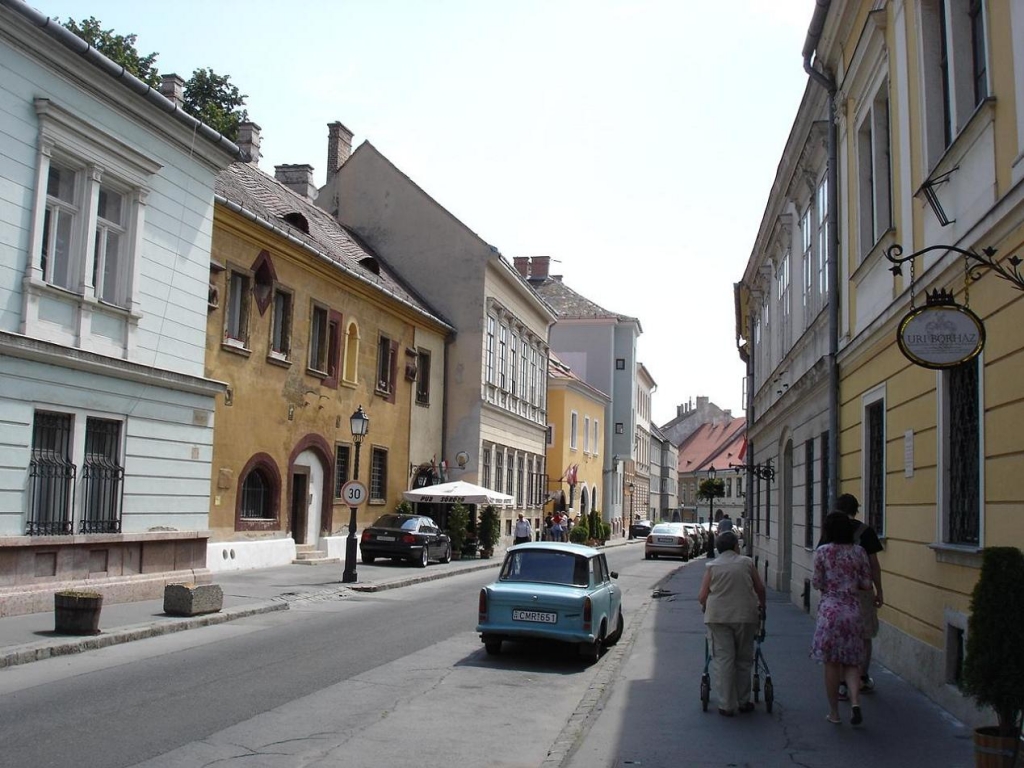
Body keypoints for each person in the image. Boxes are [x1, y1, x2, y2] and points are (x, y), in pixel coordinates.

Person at [811, 512, 872, 726]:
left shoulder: (823, 552)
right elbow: (866, 583)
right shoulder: (859, 552)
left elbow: (817, 582)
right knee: (852, 662)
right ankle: (855, 702)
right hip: (853, 611)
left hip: (830, 612)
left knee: (831, 663)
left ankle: (834, 712)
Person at [697, 531, 767, 717]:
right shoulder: (746, 563)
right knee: (744, 659)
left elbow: (702, 595)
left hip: (718, 617)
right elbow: (760, 588)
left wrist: (705, 607)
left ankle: (727, 704)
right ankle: (744, 701)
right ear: (736, 546)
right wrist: (762, 607)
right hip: (745, 615)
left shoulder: (712, 566)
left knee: (723, 659)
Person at [835, 493, 883, 697]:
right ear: (856, 509)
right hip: (862, 591)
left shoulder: (832, 530)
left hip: (837, 593)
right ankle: (862, 677)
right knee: (864, 635)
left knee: (840, 636)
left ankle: (841, 682)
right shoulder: (866, 531)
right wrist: (879, 590)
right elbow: (874, 564)